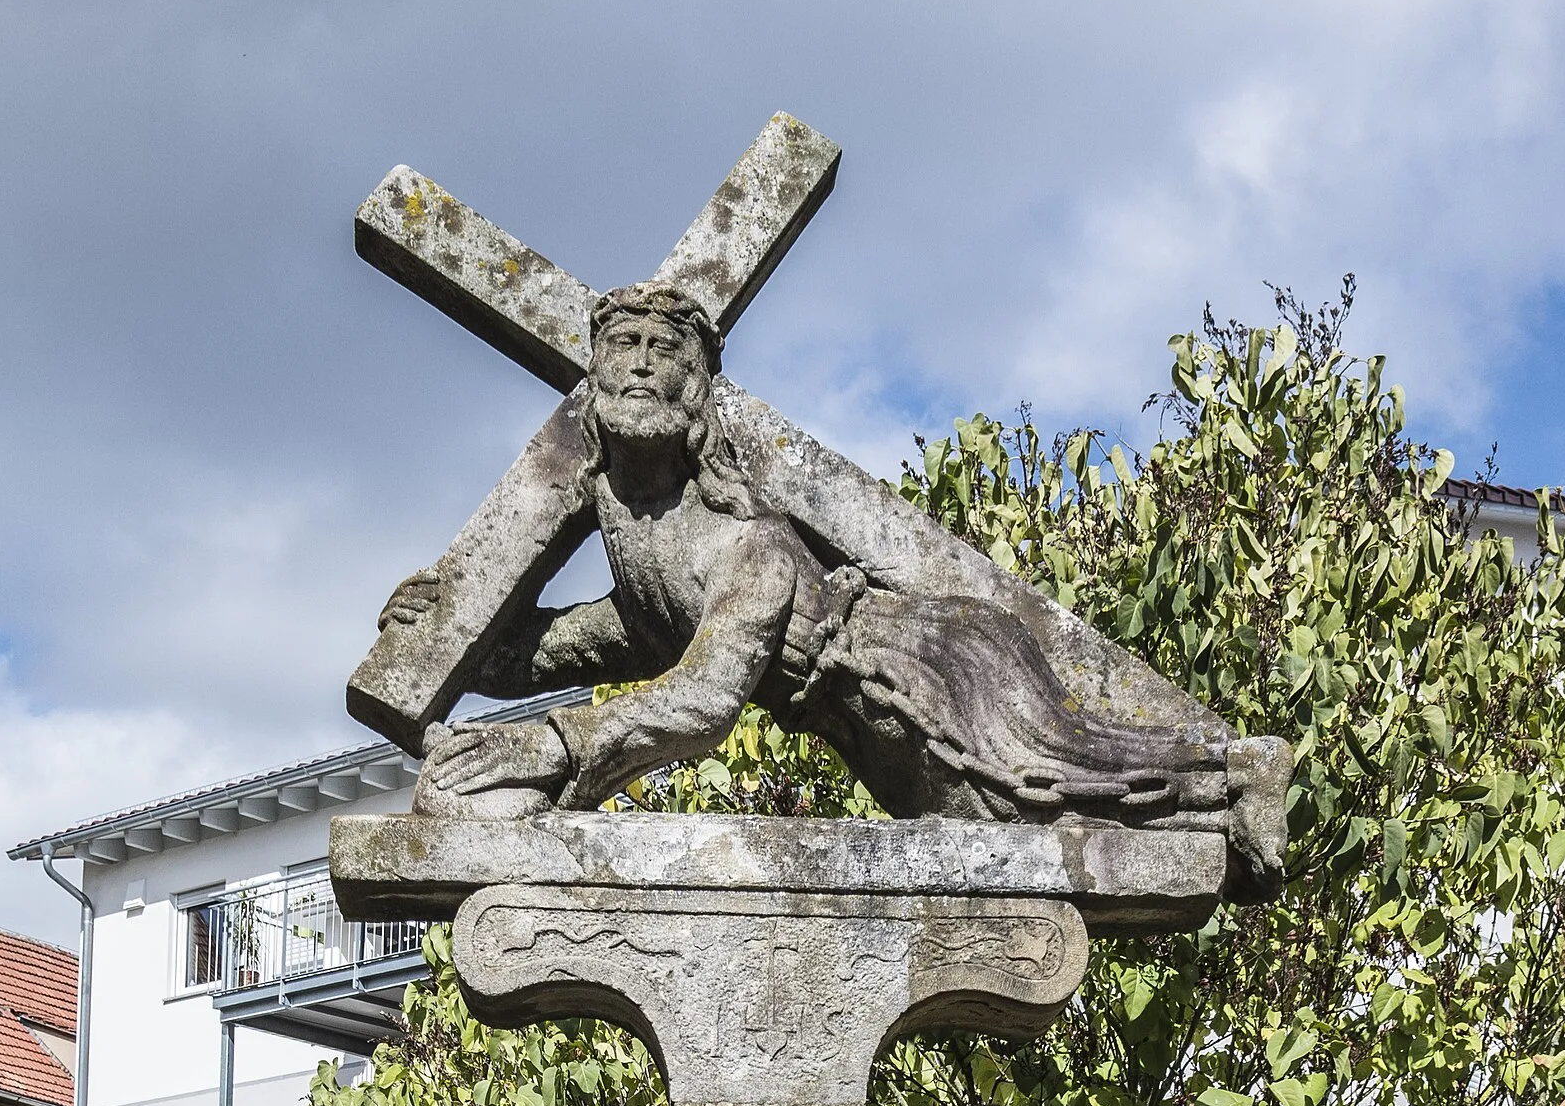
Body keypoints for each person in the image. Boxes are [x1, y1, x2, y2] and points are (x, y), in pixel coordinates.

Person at [381, 285, 1257, 850]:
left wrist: (548, 742)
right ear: (594, 379)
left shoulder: (745, 544)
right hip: (872, 734)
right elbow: (547, 654)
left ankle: (1236, 780)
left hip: (935, 672)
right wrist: (444, 624)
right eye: (624, 347)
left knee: (1058, 792)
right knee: (1033, 820)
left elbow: (704, 700)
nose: (643, 362)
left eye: (664, 349)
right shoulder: (652, 584)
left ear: (697, 392)